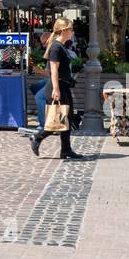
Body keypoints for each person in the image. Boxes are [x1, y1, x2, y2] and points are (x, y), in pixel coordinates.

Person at [30, 18, 80, 159]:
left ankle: (66, 150)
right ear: (64, 30)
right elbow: (54, 70)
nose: (72, 31)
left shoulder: (61, 46)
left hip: (63, 86)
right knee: (58, 119)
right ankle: (37, 137)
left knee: (67, 119)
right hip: (57, 87)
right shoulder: (56, 47)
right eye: (71, 29)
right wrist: (56, 90)